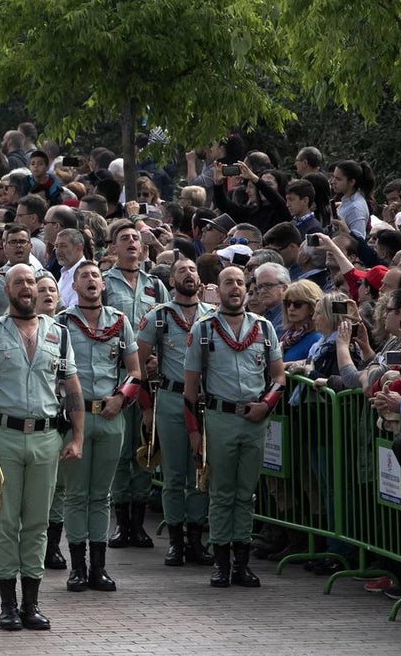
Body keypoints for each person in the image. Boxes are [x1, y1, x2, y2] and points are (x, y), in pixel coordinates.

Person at [0, 263, 84, 632]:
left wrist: (78, 436)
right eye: (17, 281)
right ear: (6, 289)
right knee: (6, 521)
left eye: (30, 281)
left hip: (47, 436)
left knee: (37, 522)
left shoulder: (60, 334)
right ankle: (6, 605)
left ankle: (31, 603)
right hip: (2, 435)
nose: (25, 287)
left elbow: (72, 388)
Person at [183, 265, 286, 588]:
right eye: (229, 282)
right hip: (220, 416)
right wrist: (195, 431)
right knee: (221, 492)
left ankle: (242, 561)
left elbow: (279, 377)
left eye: (241, 283)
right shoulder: (204, 329)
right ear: (219, 288)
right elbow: (190, 387)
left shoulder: (264, 328)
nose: (235, 288)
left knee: (246, 493)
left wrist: (266, 404)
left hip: (254, 418)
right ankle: (221, 561)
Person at [56, 260, 143, 591]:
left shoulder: (119, 323)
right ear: (74, 286)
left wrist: (121, 398)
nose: (91, 280)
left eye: (96, 276)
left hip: (109, 414)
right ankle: (77, 567)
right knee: (77, 494)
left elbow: (135, 371)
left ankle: (99, 568)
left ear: (103, 285)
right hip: (74, 417)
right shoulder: (62, 323)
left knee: (101, 494)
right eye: (84, 276)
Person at [135, 256, 217, 567]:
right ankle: (175, 543)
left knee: (201, 468)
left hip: (204, 400)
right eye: (181, 270)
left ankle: (196, 539)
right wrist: (146, 405)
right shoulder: (159, 316)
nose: (188, 274)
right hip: (171, 397)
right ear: (172, 281)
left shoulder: (213, 316)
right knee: (173, 474)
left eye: (192, 269)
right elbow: (138, 362)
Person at [102, 219, 169, 549]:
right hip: (115, 378)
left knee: (144, 448)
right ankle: (122, 523)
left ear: (143, 248)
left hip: (147, 381)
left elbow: (167, 326)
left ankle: (138, 523)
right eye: (123, 239)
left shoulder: (155, 285)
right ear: (113, 247)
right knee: (119, 450)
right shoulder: (102, 283)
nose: (131, 243)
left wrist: (158, 357)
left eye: (135, 239)